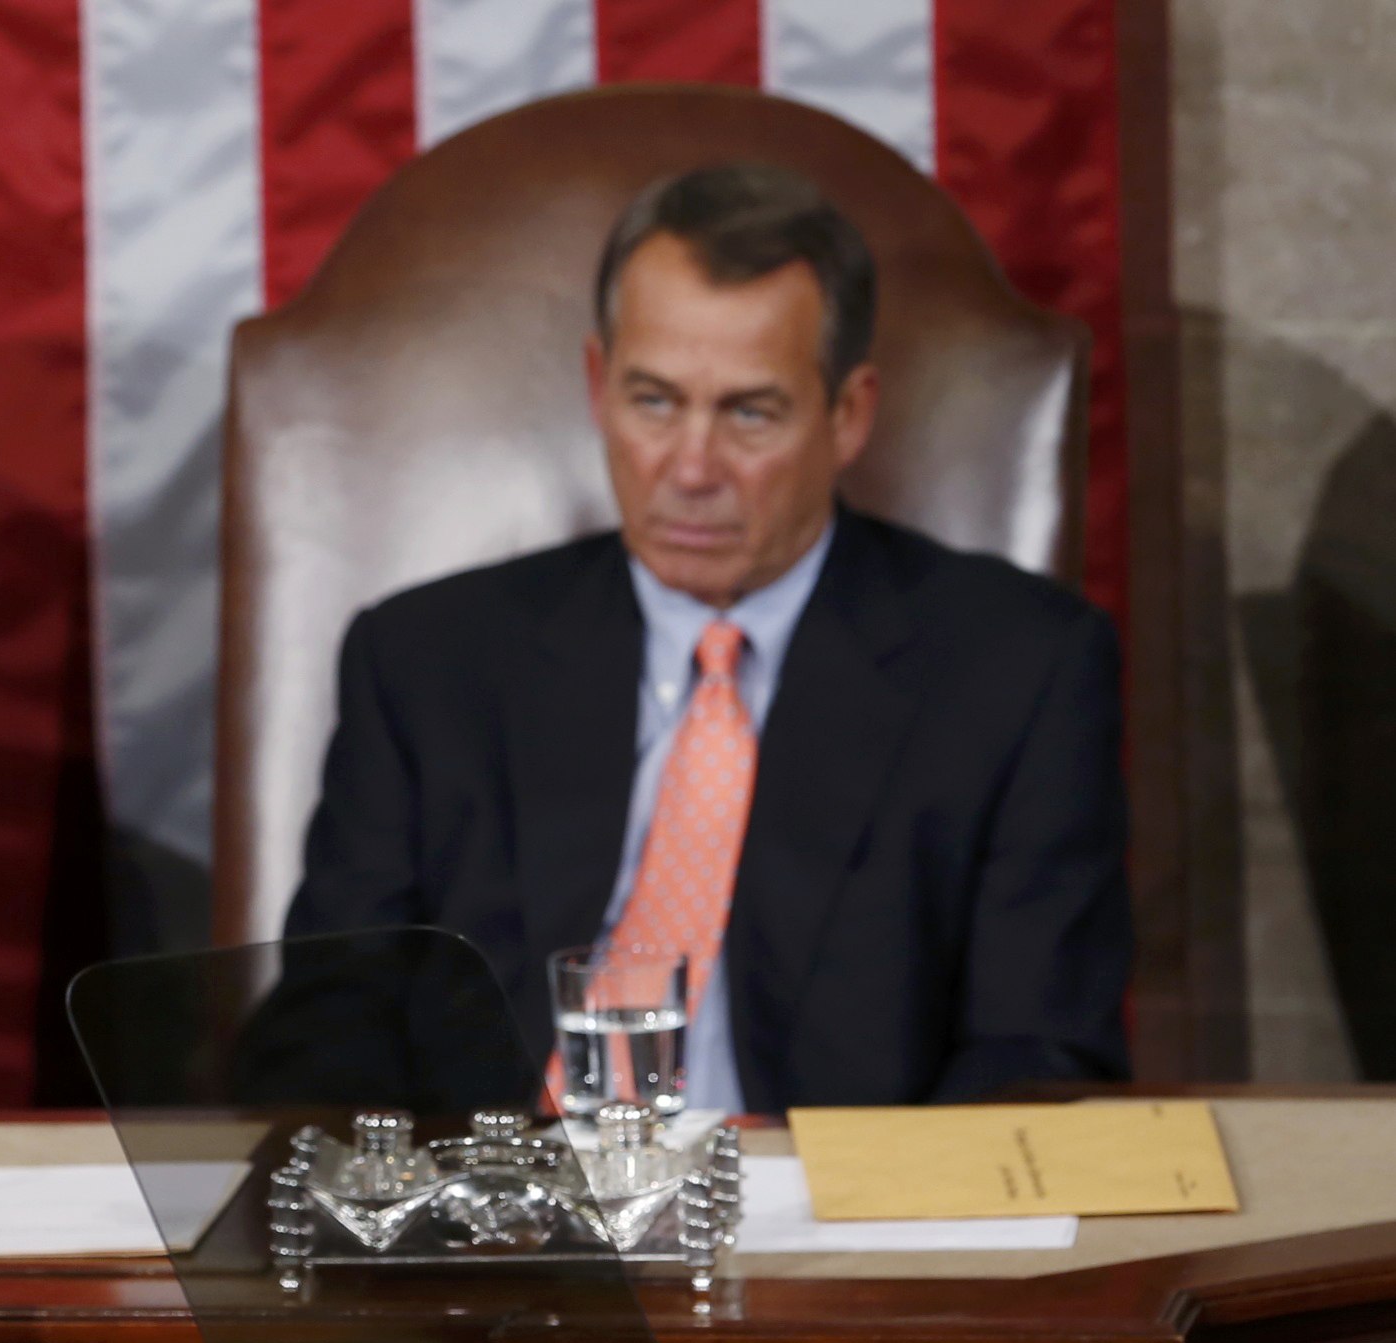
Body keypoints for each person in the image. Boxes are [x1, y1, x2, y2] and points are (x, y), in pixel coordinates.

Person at [283, 163, 1129, 1111]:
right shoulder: (427, 662)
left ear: (848, 414)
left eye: (748, 412)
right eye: (653, 401)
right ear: (598, 384)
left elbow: (1037, 1054)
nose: (690, 468)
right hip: (504, 1226)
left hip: (834, 1226)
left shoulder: (1019, 670)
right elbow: (329, 1017)